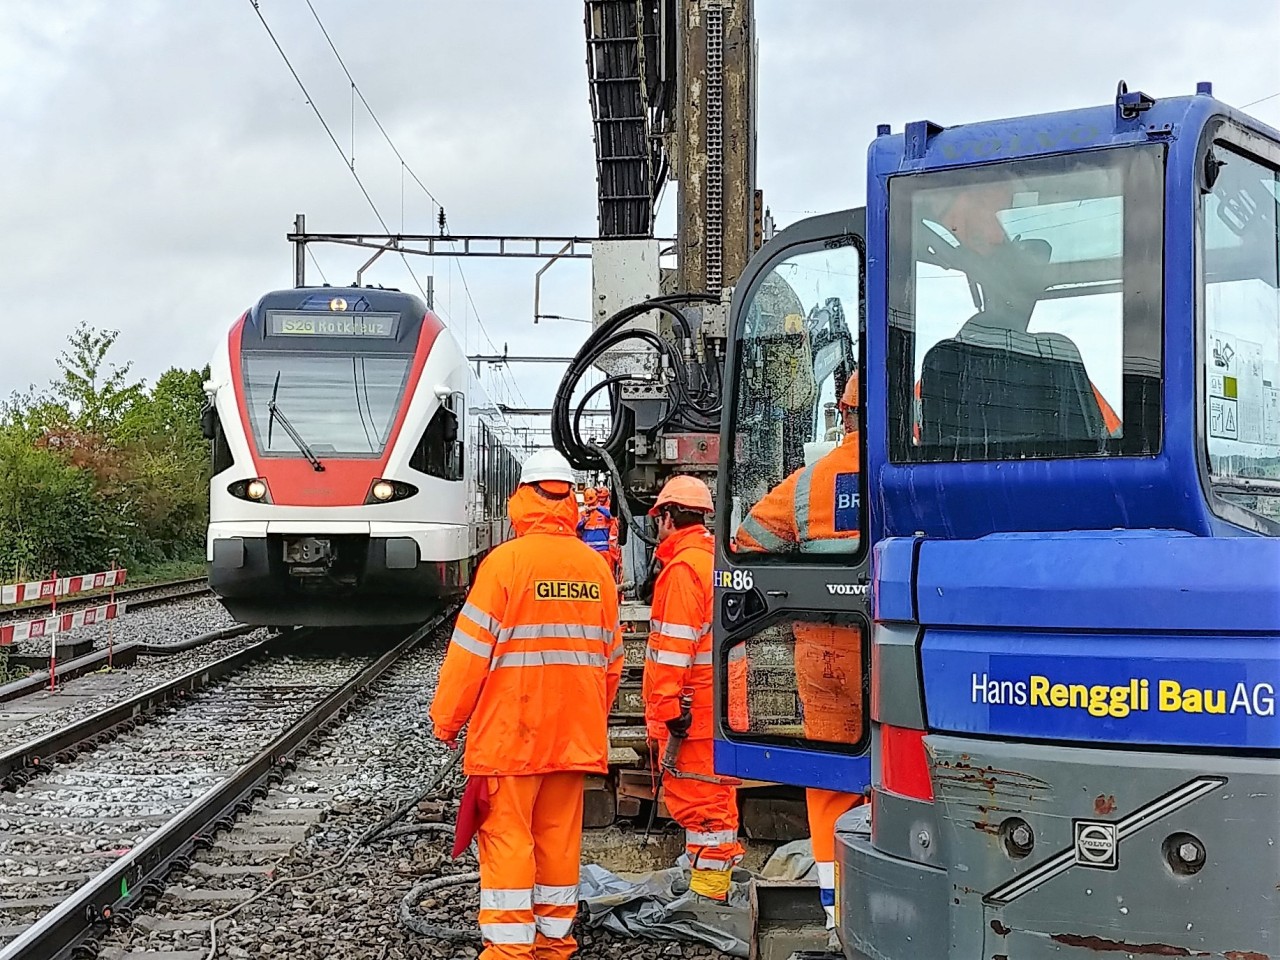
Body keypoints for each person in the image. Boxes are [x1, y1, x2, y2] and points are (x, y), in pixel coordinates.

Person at [430, 448, 624, 960]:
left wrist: (448, 720)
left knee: (509, 840)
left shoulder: (504, 565)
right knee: (558, 842)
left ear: (522, 498)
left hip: (510, 738)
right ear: (571, 502)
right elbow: (612, 662)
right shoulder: (595, 570)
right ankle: (553, 945)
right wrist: (589, 718)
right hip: (574, 735)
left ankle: (510, 951)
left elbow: (469, 654)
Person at [733, 374, 865, 937]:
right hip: (903, 659)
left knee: (833, 781)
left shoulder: (812, 483)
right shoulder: (917, 472)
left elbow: (748, 540)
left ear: (843, 412)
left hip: (827, 660)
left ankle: (841, 917)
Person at [643, 475, 745, 902]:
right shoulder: (718, 563)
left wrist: (666, 709)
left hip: (693, 712)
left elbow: (673, 651)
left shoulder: (683, 570)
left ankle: (708, 898)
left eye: (658, 518)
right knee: (711, 801)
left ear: (667, 517)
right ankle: (705, 885)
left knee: (705, 810)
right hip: (718, 707)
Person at [577, 485, 617, 578]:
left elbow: (612, 516)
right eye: (588, 503)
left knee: (606, 576)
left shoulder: (604, 510)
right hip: (588, 551)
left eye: (592, 502)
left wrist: (596, 508)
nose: (590, 505)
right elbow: (576, 527)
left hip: (604, 551)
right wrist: (584, 521)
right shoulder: (583, 513)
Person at [596, 486, 622, 583]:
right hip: (603, 549)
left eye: (603, 497)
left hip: (608, 549)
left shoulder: (610, 509)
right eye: (599, 498)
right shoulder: (592, 508)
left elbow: (610, 515)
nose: (601, 500)